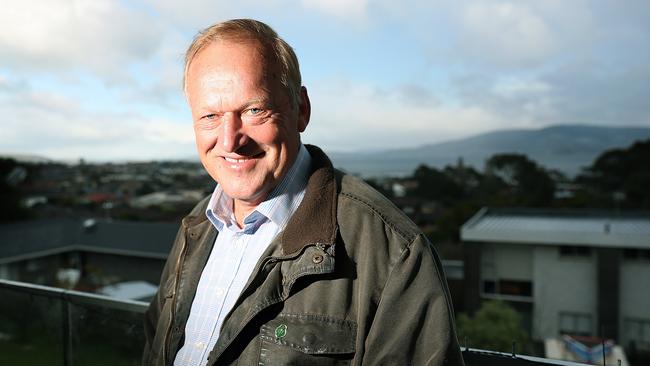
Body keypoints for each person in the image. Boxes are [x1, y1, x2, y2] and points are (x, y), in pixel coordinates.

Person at [143, 18, 464, 366]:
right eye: (209, 116)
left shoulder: (393, 251)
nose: (230, 140)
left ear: (302, 109)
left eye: (254, 110)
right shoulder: (198, 226)